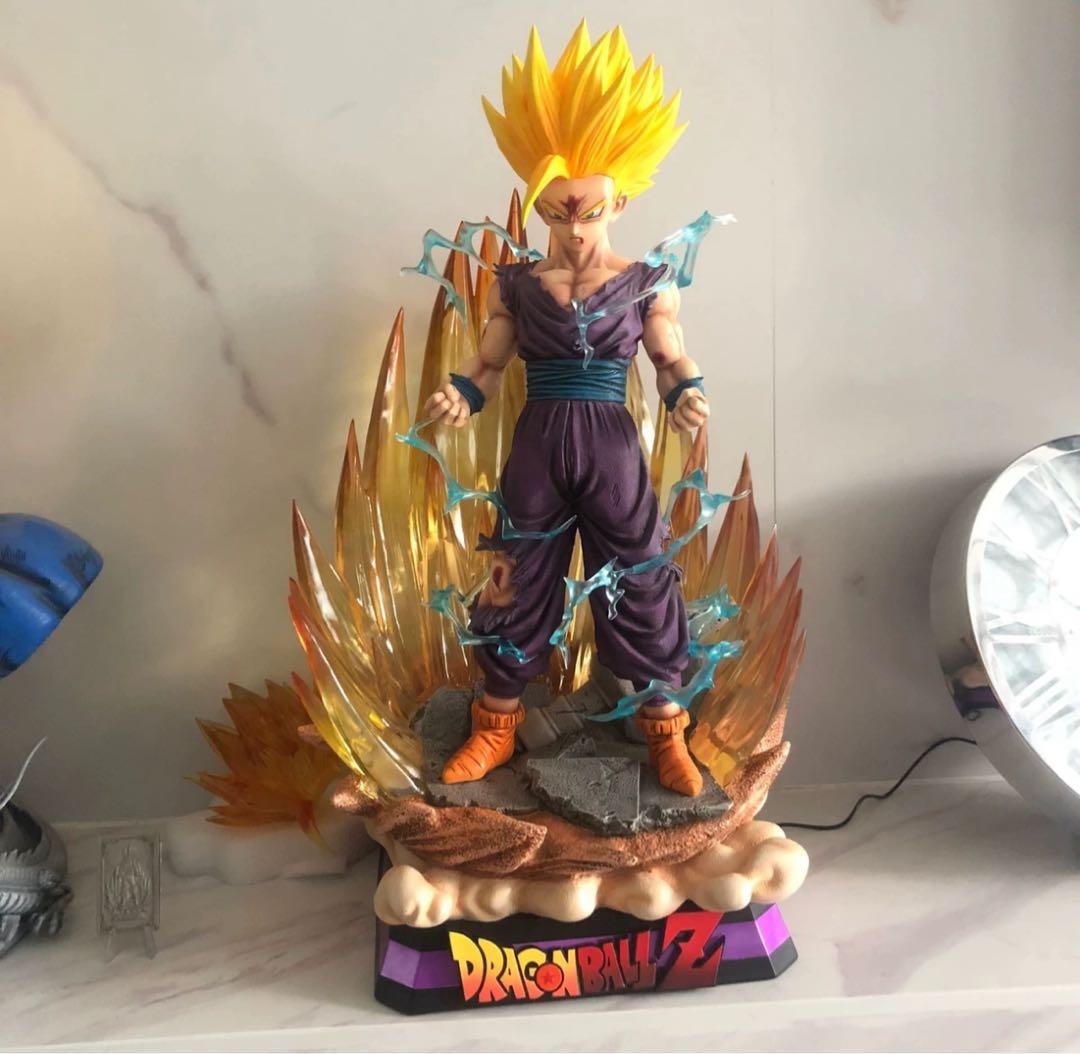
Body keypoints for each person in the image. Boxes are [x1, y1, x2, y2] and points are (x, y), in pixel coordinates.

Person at [424, 23, 711, 796]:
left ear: (621, 201)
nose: (574, 231)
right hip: (539, 444)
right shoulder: (518, 285)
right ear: (538, 207)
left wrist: (686, 391)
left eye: (587, 212)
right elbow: (488, 361)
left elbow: (670, 355)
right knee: (515, 575)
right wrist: (462, 393)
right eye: (556, 214)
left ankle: (666, 731)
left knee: (640, 577)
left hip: (612, 448)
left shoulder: (647, 282)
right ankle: (494, 727)